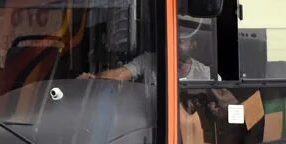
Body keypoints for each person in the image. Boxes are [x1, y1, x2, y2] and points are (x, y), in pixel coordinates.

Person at [82, 18, 215, 85]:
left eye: (183, 41)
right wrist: (94, 78)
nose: (177, 46)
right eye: (174, 40)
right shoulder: (148, 60)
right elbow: (122, 73)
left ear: (193, 45)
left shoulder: (206, 74)